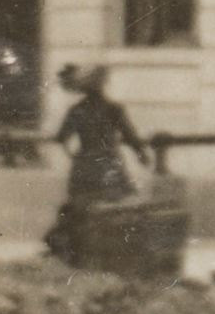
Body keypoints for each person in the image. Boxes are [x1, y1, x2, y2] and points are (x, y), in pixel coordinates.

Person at [44, 66, 145, 260]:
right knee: (116, 209)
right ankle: (111, 252)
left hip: (84, 166)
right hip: (110, 166)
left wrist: (74, 156)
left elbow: (61, 137)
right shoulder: (114, 109)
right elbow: (130, 136)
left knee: (80, 209)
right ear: (102, 87)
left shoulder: (76, 110)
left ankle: (77, 252)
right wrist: (142, 154)